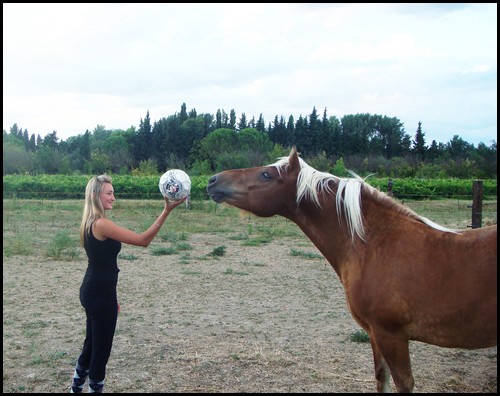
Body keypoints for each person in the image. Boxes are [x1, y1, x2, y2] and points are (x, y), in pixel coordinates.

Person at [70, 174, 186, 393]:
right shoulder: (102, 224)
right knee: (100, 350)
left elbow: (104, 265)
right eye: (109, 193)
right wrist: (167, 211)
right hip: (99, 294)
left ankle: (75, 388)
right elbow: (143, 240)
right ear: (96, 196)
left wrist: (112, 300)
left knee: (92, 344)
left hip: (94, 291)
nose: (114, 197)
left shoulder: (88, 221)